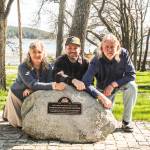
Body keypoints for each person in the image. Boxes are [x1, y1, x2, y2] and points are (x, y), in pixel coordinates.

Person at [3, 40, 65, 128]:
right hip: (18, 95)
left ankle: (7, 111)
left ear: (43, 53)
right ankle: (7, 111)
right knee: (21, 125)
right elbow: (33, 84)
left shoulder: (49, 67)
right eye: (34, 52)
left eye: (39, 52)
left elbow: (47, 82)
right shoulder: (23, 67)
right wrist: (53, 85)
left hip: (33, 93)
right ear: (29, 54)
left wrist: (33, 89)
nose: (36, 55)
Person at [82, 34, 137, 132]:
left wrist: (113, 85)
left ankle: (126, 122)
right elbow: (86, 82)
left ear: (118, 47)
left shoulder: (123, 54)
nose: (109, 50)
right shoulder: (96, 60)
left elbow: (131, 74)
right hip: (103, 89)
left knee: (132, 86)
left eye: (112, 47)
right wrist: (101, 97)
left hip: (119, 84)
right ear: (102, 48)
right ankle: (108, 115)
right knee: (105, 121)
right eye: (106, 47)